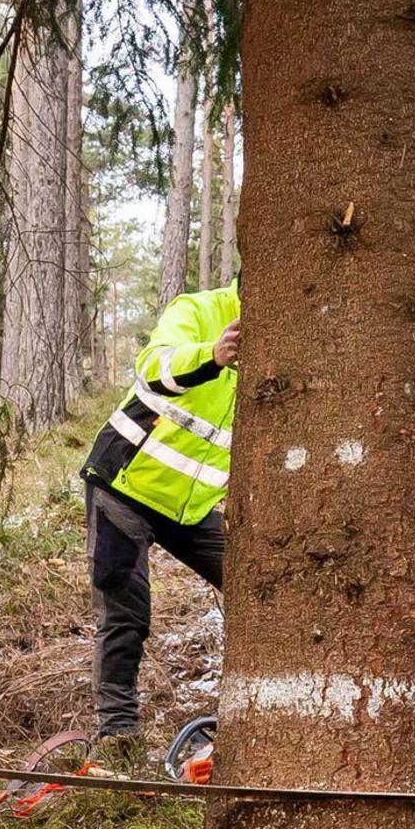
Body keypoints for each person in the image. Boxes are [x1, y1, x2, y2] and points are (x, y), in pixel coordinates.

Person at [78, 284, 236, 752]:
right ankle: (117, 737)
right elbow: (153, 366)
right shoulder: (199, 309)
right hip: (125, 482)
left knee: (256, 584)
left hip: (190, 507)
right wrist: (213, 353)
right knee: (125, 611)